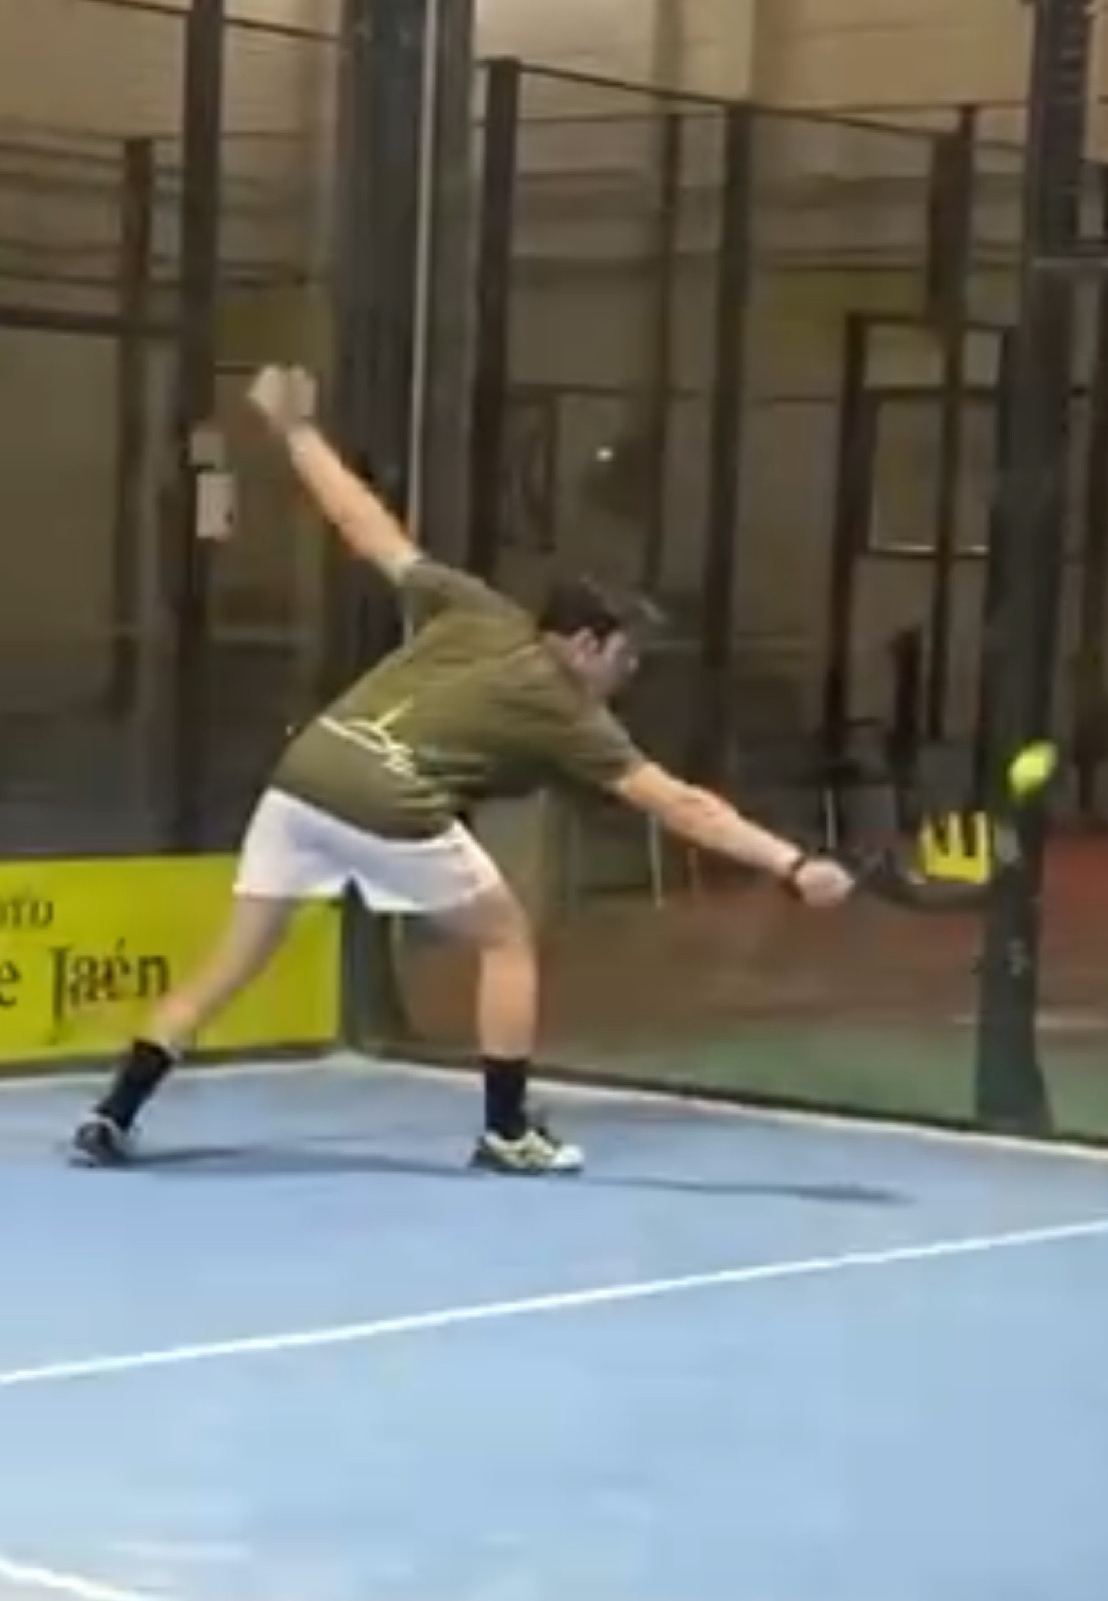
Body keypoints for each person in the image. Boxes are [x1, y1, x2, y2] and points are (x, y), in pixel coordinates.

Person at [72, 365, 854, 1177]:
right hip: (388, 798)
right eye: (626, 656)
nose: (630, 672)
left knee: (233, 963)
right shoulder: (568, 710)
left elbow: (364, 526)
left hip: (304, 776)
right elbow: (681, 805)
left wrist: (296, 430)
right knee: (507, 938)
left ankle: (113, 1115)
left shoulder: (481, 610)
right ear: (584, 643)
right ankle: (506, 1131)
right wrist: (792, 864)